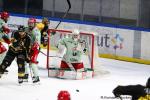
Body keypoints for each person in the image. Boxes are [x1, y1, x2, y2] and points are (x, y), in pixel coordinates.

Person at [23, 18, 41, 83]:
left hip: (35, 49)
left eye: (32, 23)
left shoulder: (36, 31)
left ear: (34, 24)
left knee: (32, 63)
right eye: (29, 23)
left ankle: (36, 77)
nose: (30, 25)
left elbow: (37, 40)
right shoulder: (26, 29)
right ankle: (25, 74)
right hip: (27, 48)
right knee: (23, 59)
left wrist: (34, 46)